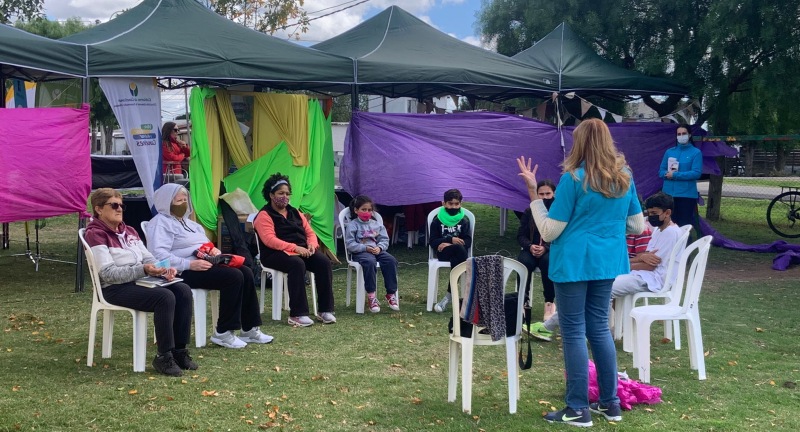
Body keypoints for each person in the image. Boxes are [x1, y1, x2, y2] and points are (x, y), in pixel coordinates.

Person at [517, 118, 644, 427]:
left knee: (573, 331)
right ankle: (610, 403)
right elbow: (636, 225)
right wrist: (606, 224)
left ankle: (577, 408)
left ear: (580, 144)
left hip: (573, 262)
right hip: (607, 261)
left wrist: (534, 194)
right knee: (599, 328)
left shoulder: (574, 179)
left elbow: (548, 231)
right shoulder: (624, 177)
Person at [530, 192, 683, 343]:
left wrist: (626, 264)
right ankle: (564, 328)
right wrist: (638, 259)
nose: (651, 217)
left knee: (598, 291)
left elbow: (650, 266)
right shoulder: (660, 231)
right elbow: (645, 258)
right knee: (593, 288)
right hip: (641, 274)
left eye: (655, 213)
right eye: (649, 213)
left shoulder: (670, 234)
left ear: (667, 213)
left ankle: (596, 332)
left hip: (651, 279)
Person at [84, 188, 196, 377]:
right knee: (165, 297)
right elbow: (109, 274)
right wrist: (143, 270)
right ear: (99, 209)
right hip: (114, 289)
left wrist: (163, 269)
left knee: (183, 290)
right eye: (114, 205)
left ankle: (179, 350)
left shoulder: (129, 231)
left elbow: (148, 258)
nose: (119, 209)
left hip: (140, 281)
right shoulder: (96, 234)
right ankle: (164, 355)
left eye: (121, 205)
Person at [146, 183, 272, 349]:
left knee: (246, 271)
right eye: (178, 201)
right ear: (166, 202)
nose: (183, 204)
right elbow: (158, 256)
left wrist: (214, 251)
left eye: (185, 199)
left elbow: (205, 244)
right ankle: (223, 332)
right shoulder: (160, 223)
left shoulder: (191, 224)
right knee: (233, 277)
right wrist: (189, 264)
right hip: (180, 271)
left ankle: (249, 328)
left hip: (203, 264)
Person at [253, 173, 336, 327]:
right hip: (274, 254)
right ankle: (297, 313)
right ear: (271, 195)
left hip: (300, 251)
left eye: (287, 193)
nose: (284, 197)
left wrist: (312, 244)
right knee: (297, 264)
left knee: (323, 262)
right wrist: (295, 247)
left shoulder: (295, 212)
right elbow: (270, 240)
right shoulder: (264, 215)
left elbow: (309, 232)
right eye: (280, 193)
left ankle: (325, 310)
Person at [345, 195, 400, 313]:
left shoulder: (377, 225)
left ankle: (391, 293)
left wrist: (380, 248)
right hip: (361, 252)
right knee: (370, 262)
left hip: (377, 250)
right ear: (356, 210)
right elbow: (350, 244)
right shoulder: (352, 225)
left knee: (390, 260)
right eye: (363, 210)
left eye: (369, 210)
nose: (367, 212)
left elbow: (384, 240)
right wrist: (365, 248)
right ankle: (371, 296)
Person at [517, 179, 557, 322]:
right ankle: (523, 301)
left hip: (551, 249)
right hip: (531, 249)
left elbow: (561, 236)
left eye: (548, 193)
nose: (545, 197)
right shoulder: (529, 211)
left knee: (548, 262)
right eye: (541, 194)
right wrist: (530, 246)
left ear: (554, 194)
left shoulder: (559, 213)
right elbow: (520, 235)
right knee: (523, 263)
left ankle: (549, 302)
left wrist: (545, 247)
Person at [430, 189, 473, 313]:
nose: (453, 207)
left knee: (458, 255)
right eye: (450, 204)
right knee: (459, 250)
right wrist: (451, 239)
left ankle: (448, 297)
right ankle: (468, 298)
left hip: (459, 254)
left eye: (456, 204)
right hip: (443, 253)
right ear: (443, 203)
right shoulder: (437, 221)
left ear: (461, 203)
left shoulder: (464, 220)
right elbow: (432, 242)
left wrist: (448, 241)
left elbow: (468, 242)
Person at [659, 124, 702, 230]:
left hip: (686, 195)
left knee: (683, 225)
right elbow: (661, 171)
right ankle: (669, 246)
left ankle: (684, 245)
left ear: (689, 135)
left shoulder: (696, 153)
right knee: (668, 225)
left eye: (684, 133)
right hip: (668, 195)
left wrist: (675, 175)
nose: (681, 136)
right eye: (679, 134)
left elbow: (696, 173)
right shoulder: (669, 152)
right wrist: (665, 174)